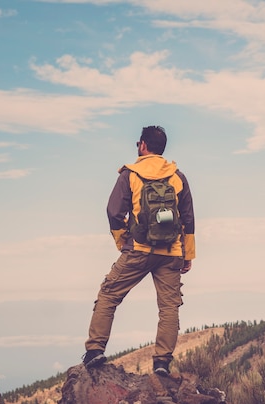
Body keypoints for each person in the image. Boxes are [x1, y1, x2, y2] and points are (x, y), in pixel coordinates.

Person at [82, 126, 196, 376]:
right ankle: (162, 362)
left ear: (143, 145)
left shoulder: (129, 174)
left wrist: (122, 240)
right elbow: (188, 218)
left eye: (138, 143)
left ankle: (94, 350)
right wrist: (187, 255)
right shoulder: (177, 176)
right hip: (171, 252)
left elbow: (113, 213)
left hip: (139, 249)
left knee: (109, 294)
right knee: (169, 308)